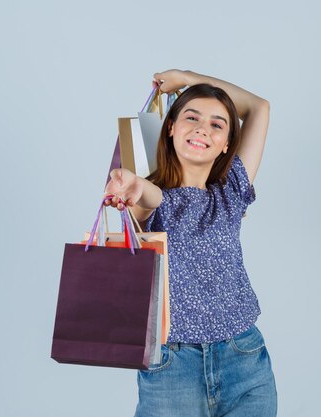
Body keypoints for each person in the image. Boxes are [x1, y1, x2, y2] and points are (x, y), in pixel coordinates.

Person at [104, 69, 277, 417]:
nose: (202, 128)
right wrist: (136, 186)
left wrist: (187, 77)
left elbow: (259, 107)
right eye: (192, 117)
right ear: (170, 127)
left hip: (243, 358)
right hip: (172, 368)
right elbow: (151, 197)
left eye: (217, 124)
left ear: (227, 143)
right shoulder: (153, 198)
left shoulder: (230, 193)